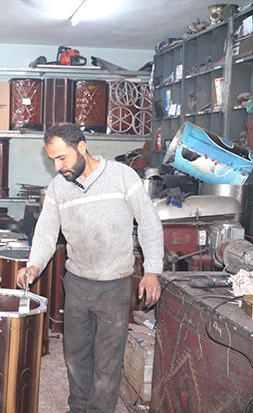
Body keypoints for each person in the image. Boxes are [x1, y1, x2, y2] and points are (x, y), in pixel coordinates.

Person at [17, 123, 164, 413]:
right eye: (53, 160)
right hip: (78, 283)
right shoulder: (59, 188)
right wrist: (34, 265)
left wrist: (152, 271)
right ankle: (78, 407)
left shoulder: (122, 176)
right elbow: (46, 232)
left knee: (108, 361)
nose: (58, 167)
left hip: (115, 285)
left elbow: (149, 222)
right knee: (75, 355)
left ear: (82, 147)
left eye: (62, 158)